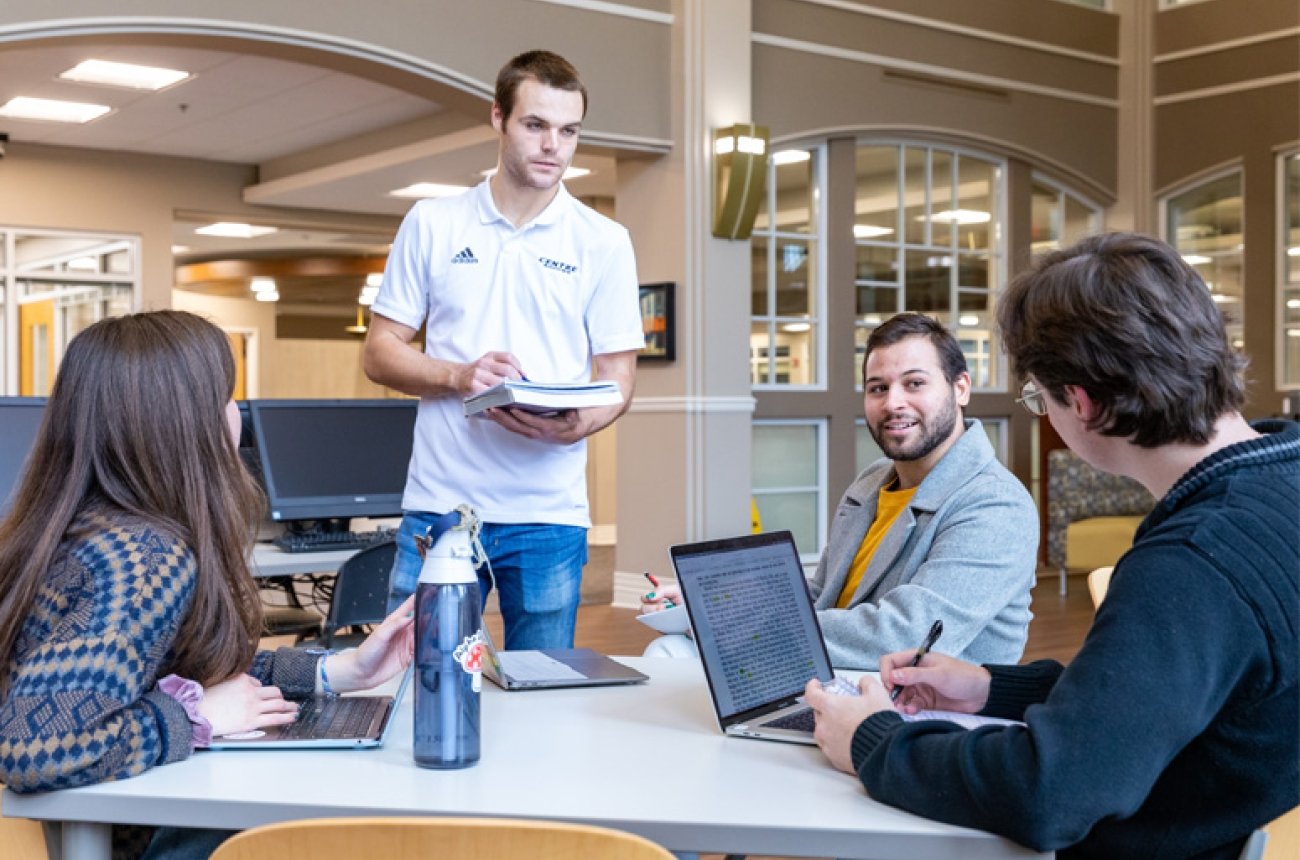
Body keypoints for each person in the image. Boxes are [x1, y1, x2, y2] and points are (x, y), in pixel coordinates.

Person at [806, 233, 1299, 859]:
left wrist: (872, 740)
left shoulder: (1189, 564)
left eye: (1040, 398)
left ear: (1084, 405)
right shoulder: (1277, 483)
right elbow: (1147, 702)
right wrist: (994, 687)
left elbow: (1048, 793)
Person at [0, 311, 414, 859]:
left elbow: (177, 672)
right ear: (187, 422)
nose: (236, 413)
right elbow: (37, 749)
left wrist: (341, 670)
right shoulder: (141, 558)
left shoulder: (85, 528)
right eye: (226, 395)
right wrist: (197, 718)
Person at [364, 49, 644, 650]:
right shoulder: (433, 221)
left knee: (543, 693)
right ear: (498, 118)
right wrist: (461, 374)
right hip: (440, 506)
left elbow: (619, 375)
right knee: (407, 679)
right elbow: (380, 351)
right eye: (535, 125)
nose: (554, 146)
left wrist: (577, 425)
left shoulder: (605, 242)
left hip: (549, 513)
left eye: (569, 131)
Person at [642, 313, 1038, 669]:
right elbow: (817, 594)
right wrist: (712, 602)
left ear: (961, 388)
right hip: (837, 677)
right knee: (673, 652)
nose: (893, 403)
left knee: (680, 663)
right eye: (878, 388)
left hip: (916, 708)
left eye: (914, 383)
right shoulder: (872, 481)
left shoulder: (994, 505)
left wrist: (733, 626)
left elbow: (904, 638)